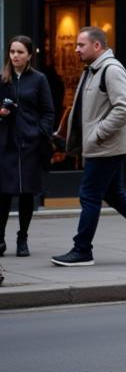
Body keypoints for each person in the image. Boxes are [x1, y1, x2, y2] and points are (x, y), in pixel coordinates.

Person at [51, 27, 126, 267]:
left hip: (106, 146)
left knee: (89, 194)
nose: (76, 50)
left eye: (80, 45)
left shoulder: (111, 70)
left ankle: (82, 249)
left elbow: (124, 108)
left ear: (97, 46)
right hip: (101, 145)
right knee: (113, 194)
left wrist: (97, 133)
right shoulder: (93, 70)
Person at [0, 36, 55, 257]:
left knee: (27, 195)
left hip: (30, 145)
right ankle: (0, 239)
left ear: (29, 55)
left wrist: (39, 133)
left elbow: (48, 112)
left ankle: (22, 239)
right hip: (6, 145)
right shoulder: (3, 80)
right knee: (3, 194)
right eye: (12, 51)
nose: (15, 56)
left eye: (20, 52)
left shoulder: (39, 79)